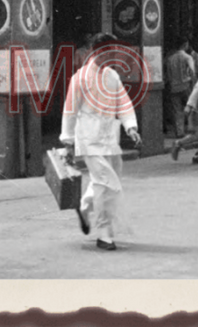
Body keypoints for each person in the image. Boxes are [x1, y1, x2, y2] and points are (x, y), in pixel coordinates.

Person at [60, 32, 140, 251]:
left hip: (110, 138)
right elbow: (70, 110)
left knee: (104, 181)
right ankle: (104, 234)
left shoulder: (112, 76)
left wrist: (130, 127)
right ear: (95, 52)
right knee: (107, 183)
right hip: (89, 139)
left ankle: (85, 207)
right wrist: (68, 141)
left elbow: (123, 102)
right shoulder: (80, 78)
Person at [163, 39, 195, 139]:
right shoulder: (188, 57)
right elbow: (192, 71)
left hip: (174, 87)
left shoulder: (170, 59)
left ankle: (180, 131)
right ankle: (191, 129)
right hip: (186, 85)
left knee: (177, 110)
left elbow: (168, 75)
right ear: (185, 45)